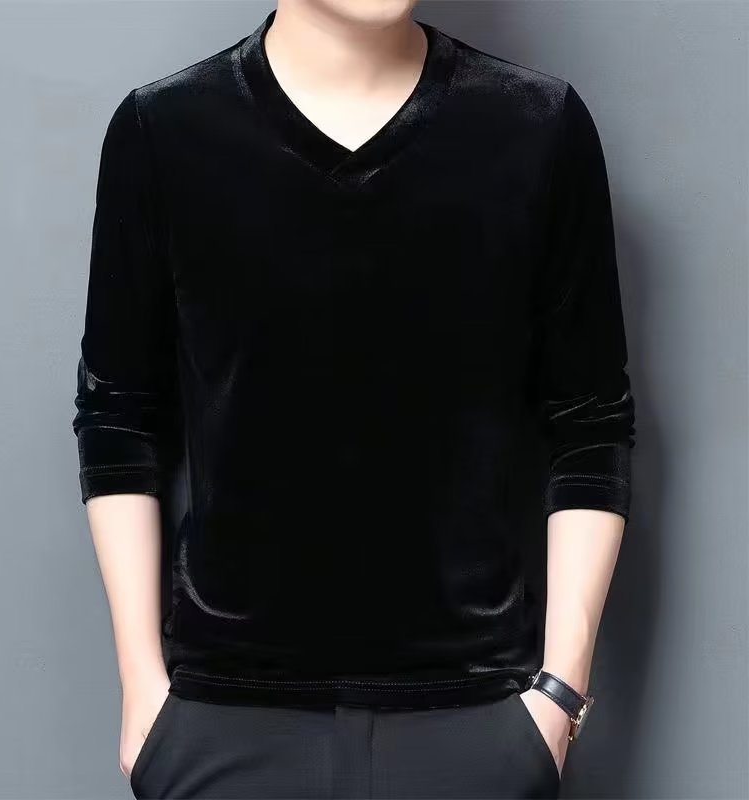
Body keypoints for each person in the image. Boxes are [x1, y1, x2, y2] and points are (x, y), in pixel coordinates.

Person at [71, 1, 636, 798]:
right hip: (225, 723)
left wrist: (558, 696)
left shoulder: (536, 124)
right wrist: (143, 692)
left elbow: (591, 423)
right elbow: (118, 417)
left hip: (475, 723)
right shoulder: (164, 130)